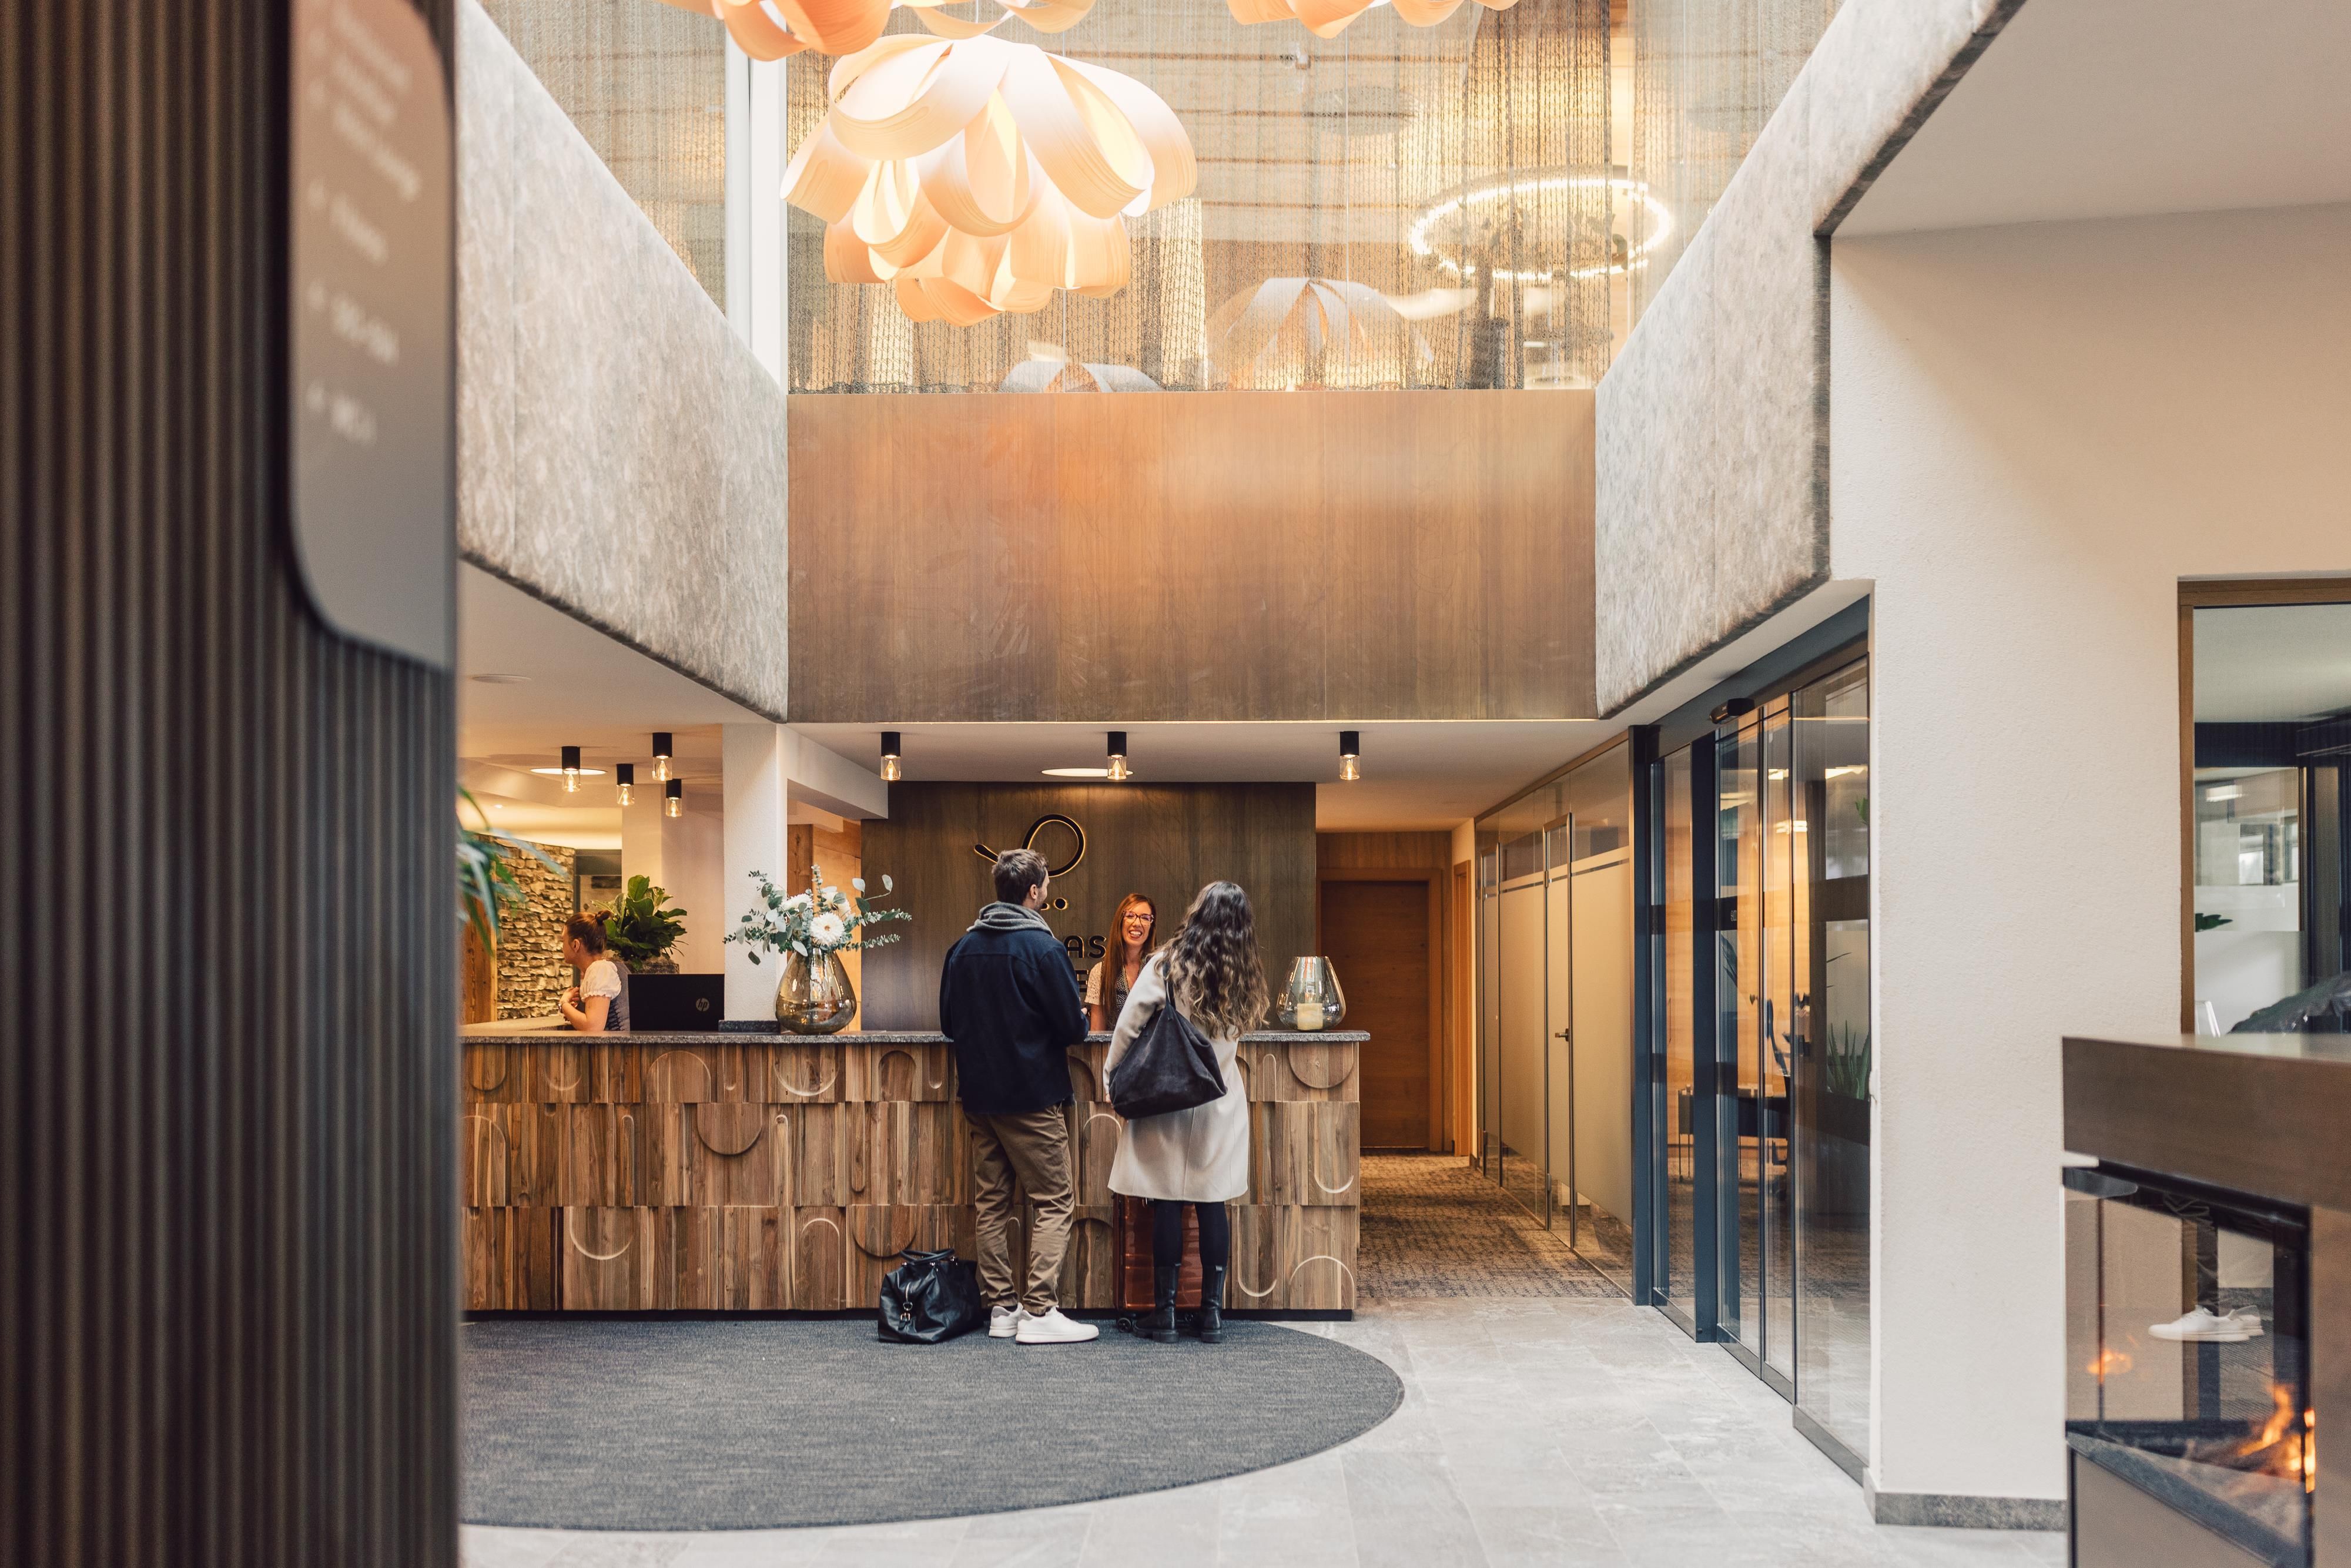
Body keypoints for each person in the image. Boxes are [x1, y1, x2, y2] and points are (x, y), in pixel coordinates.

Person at [938, 847, 1098, 1345]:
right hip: (1031, 1095)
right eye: (1045, 885)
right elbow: (1073, 1028)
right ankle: (1040, 1311)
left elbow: (948, 1024)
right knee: (1054, 1199)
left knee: (991, 1203)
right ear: (1033, 892)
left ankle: (1002, 1309)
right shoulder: (1043, 948)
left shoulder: (962, 948)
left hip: (980, 1096)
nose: (1045, 891)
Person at [1105, 880, 1267, 1344]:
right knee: (1212, 1202)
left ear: (1197, 913)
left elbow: (1129, 1026)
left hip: (1169, 1098)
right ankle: (1212, 1316)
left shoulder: (1168, 965)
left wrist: (1112, 1078)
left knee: (1167, 1204)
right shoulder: (1245, 972)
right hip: (1220, 1100)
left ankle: (1166, 1316)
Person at [1085, 893, 1158, 1033]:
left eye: (1145, 918)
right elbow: (1097, 1035)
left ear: (1151, 925)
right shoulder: (1101, 972)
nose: (1137, 924)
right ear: (1120, 921)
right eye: (1130, 916)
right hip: (1116, 1054)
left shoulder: (1160, 970)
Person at [558, 913, 630, 1033]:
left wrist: (564, 1003)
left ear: (576, 945)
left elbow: (592, 1027)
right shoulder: (606, 967)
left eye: (563, 941)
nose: (562, 948)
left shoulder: (600, 970)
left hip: (617, 1050)